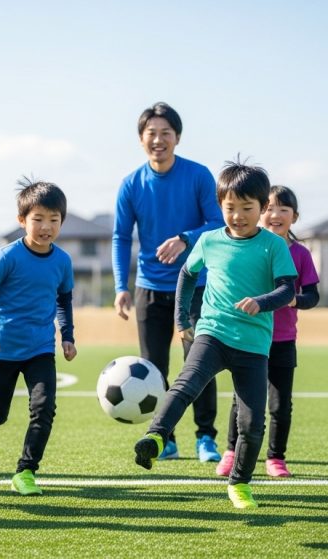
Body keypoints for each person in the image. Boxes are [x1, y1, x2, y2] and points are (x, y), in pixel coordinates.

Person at [133, 159, 297, 510]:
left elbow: (287, 289)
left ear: (262, 208)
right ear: (220, 205)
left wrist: (261, 301)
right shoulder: (208, 240)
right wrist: (182, 319)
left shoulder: (273, 246)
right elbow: (187, 276)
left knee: (252, 422)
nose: (237, 216)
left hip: (253, 346)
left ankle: (239, 483)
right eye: (230, 208)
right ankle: (156, 439)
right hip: (212, 333)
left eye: (246, 208)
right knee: (184, 386)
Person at [112, 101, 224, 462]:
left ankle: (205, 437)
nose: (158, 140)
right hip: (150, 289)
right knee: (153, 368)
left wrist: (184, 239)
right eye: (151, 134)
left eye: (166, 133)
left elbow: (216, 223)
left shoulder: (198, 176)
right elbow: (120, 237)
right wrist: (121, 287)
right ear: (141, 139)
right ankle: (166, 439)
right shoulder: (131, 184)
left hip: (196, 285)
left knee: (199, 363)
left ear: (177, 137)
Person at [0, 178, 77, 496]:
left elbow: (64, 300)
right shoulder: (7, 256)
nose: (46, 227)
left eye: (53, 220)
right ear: (22, 220)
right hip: (2, 349)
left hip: (41, 348)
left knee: (44, 408)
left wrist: (67, 336)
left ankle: (26, 471)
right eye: (38, 219)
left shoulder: (63, 261)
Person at [215, 185, 319, 479]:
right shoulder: (247, 247)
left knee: (280, 404)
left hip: (283, 341)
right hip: (249, 339)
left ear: (294, 217)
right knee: (242, 401)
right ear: (261, 212)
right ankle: (231, 452)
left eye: (283, 209)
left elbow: (313, 296)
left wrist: (294, 299)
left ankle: (276, 457)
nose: (275, 215)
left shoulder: (300, 254)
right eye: (270, 208)